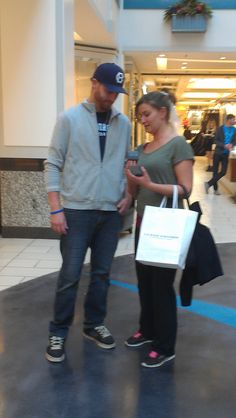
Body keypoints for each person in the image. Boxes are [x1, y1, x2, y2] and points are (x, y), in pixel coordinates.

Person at [44, 62, 132, 363]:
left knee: (102, 274)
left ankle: (94, 325)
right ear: (94, 83)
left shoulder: (125, 123)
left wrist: (127, 196)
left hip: (110, 213)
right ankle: (58, 331)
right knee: (70, 275)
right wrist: (56, 208)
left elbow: (126, 164)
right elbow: (53, 162)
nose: (111, 97)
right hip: (76, 211)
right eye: (108, 90)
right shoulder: (69, 119)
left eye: (116, 93)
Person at [124, 91, 194, 368]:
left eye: (147, 114)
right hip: (144, 223)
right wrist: (130, 178)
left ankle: (165, 345)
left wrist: (150, 185)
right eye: (140, 116)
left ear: (163, 112)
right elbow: (133, 188)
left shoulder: (178, 146)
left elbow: (185, 188)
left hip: (166, 225)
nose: (143, 120)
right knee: (144, 282)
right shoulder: (142, 149)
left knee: (161, 286)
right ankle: (148, 329)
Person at [204, 114, 236, 195]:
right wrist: (224, 145)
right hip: (218, 153)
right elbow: (216, 140)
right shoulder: (220, 129)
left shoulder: (234, 129)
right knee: (215, 171)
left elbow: (234, 141)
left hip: (226, 154)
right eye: (233, 119)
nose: (234, 121)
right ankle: (216, 190)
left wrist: (232, 144)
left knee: (223, 171)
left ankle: (208, 184)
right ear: (229, 120)